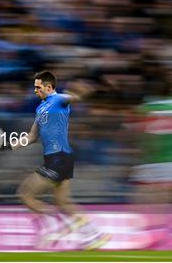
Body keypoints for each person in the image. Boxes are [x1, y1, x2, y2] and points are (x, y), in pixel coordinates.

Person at [11, 70, 110, 250]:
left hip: (58, 158)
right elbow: (32, 136)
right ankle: (94, 235)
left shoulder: (57, 99)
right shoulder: (41, 109)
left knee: (25, 194)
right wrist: (9, 146)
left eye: (38, 87)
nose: (35, 91)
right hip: (59, 158)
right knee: (63, 203)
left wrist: (83, 91)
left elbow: (72, 98)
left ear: (49, 87)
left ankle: (53, 227)